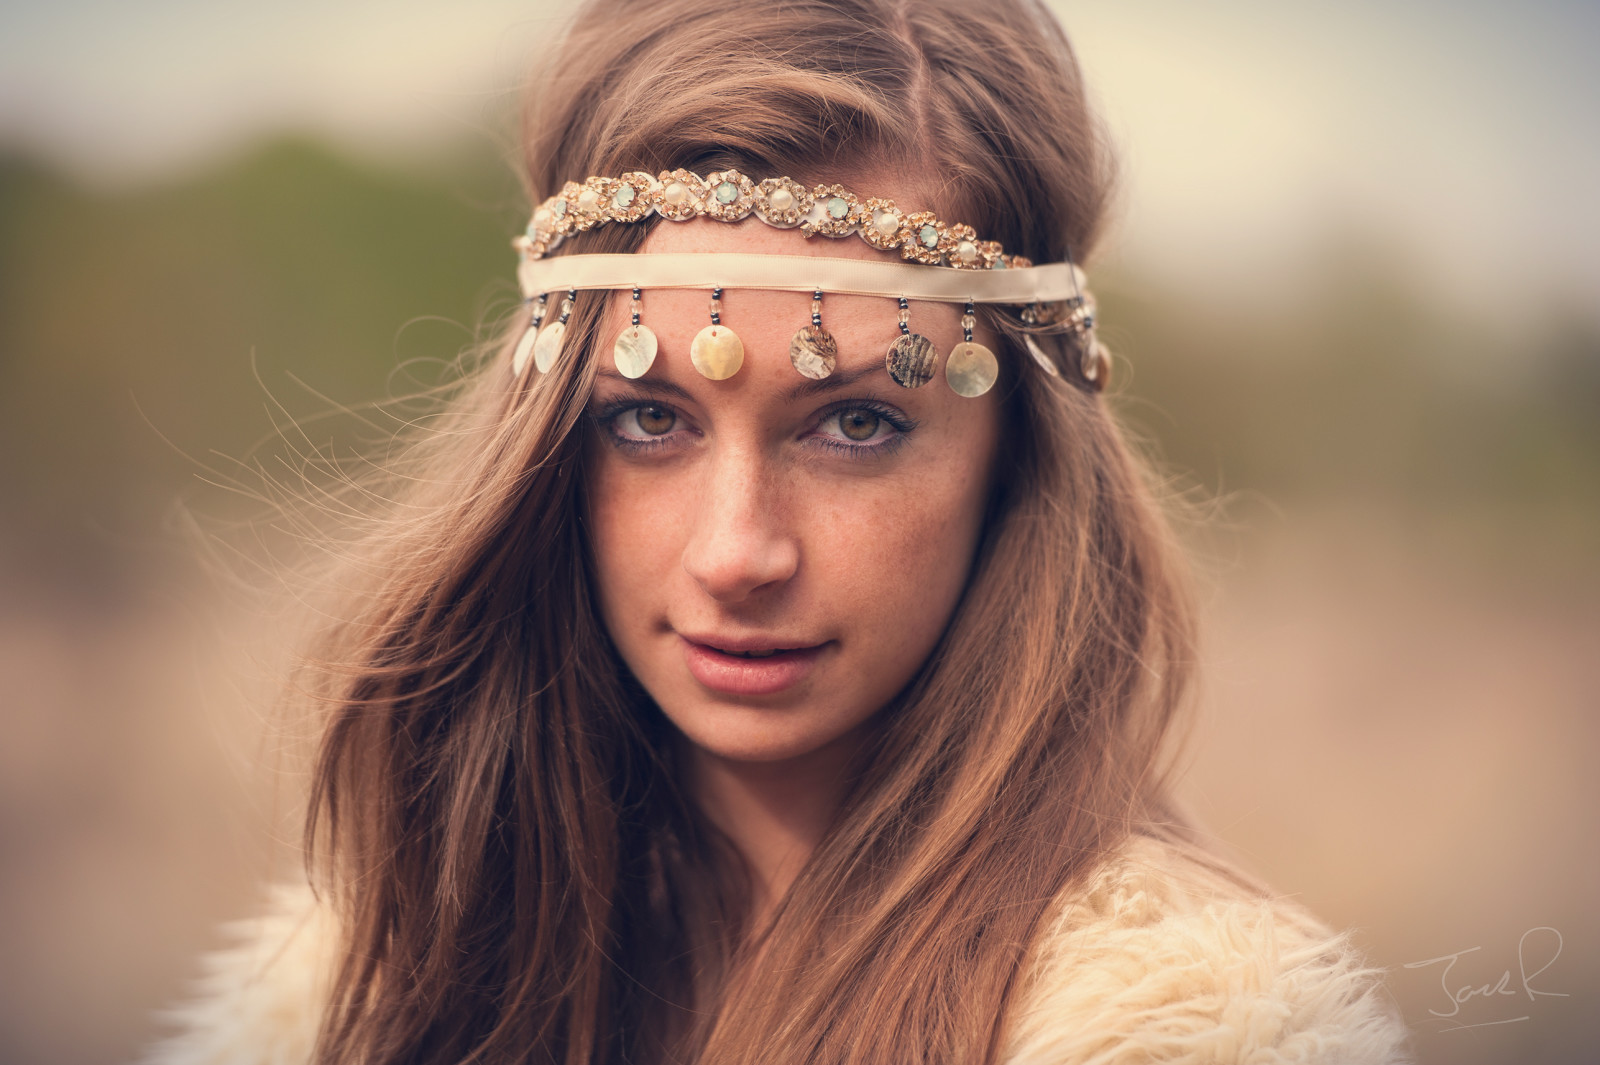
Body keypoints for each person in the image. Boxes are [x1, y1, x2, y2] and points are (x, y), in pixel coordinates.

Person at [146, 0, 1412, 1062]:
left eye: (854, 423)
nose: (734, 553)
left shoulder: (1192, 1029)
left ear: (1017, 448)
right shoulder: (360, 984)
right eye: (648, 418)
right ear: (542, 445)